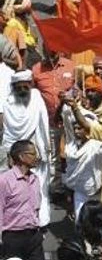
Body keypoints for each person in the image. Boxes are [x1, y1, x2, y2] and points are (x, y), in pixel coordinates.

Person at [1, 70, 51, 227]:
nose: (22, 90)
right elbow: (4, 129)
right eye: (19, 87)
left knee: (38, 186)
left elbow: (43, 122)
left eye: (25, 87)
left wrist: (44, 148)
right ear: (13, 86)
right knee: (11, 187)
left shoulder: (36, 97)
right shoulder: (6, 101)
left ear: (31, 84)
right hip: (11, 149)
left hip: (33, 148)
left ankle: (40, 221)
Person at [0, 140, 45, 260]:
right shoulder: (4, 180)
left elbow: (36, 207)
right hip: (12, 238)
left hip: (34, 236)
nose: (37, 157)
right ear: (21, 156)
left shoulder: (35, 179)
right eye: (33, 154)